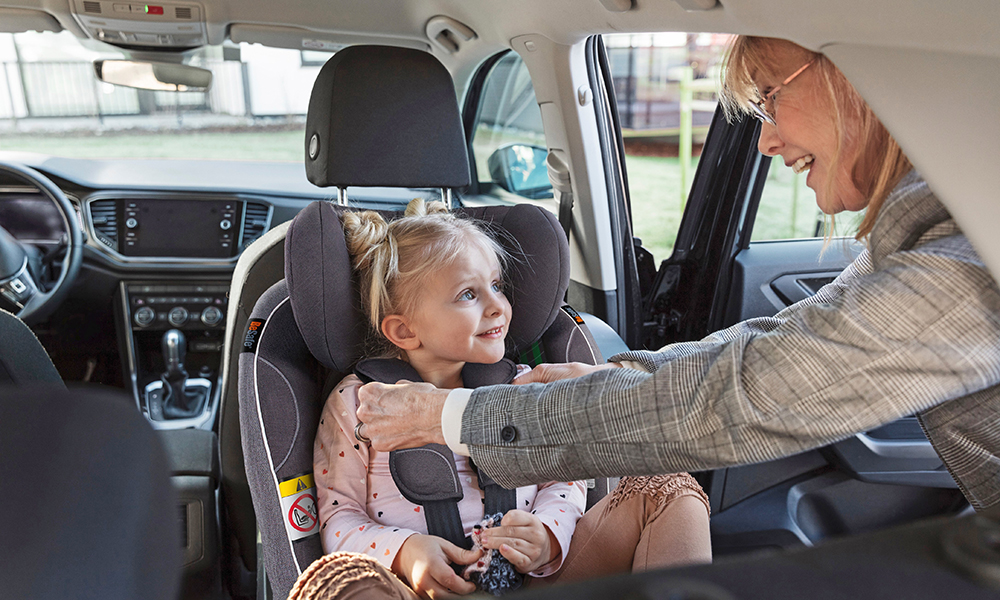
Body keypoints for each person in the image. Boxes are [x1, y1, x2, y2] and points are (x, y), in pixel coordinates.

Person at [353, 36, 1000, 513]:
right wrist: (613, 377)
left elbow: (745, 391)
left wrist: (454, 419)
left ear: (864, 78)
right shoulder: (950, 228)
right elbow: (777, 345)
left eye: (771, 100)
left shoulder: (962, 262)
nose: (766, 142)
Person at [313, 200, 711, 599]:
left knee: (668, 487)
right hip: (417, 590)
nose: (498, 306)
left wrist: (547, 535)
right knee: (343, 585)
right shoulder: (359, 404)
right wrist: (404, 553)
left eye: (497, 286)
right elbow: (338, 517)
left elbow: (566, 477)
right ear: (404, 330)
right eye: (468, 294)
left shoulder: (526, 386)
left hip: (538, 583)